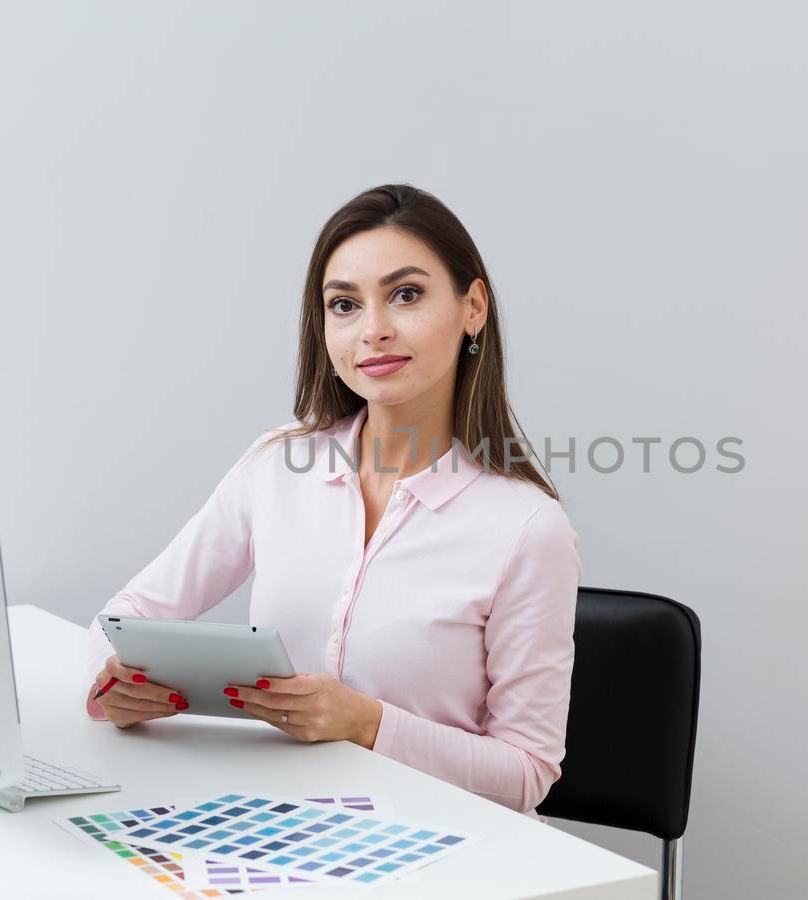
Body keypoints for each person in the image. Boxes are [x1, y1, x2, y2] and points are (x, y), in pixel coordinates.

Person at [84, 184, 581, 821]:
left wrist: (368, 724)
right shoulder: (275, 468)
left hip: (441, 848)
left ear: (473, 308)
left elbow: (526, 773)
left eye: (406, 295)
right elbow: (125, 615)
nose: (373, 330)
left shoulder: (526, 527)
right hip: (277, 825)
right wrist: (111, 686)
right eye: (344, 304)